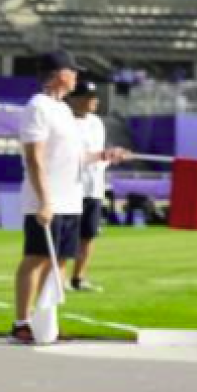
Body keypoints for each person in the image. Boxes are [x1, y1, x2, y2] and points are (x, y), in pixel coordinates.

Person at [11, 52, 125, 344]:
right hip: (48, 199)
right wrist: (45, 200)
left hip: (71, 199)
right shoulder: (38, 107)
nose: (76, 76)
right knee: (35, 259)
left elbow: (75, 157)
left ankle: (45, 322)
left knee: (58, 261)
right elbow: (34, 157)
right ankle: (21, 322)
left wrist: (103, 156)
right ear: (58, 74)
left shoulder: (62, 110)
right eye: (72, 71)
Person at [66, 79, 128, 291]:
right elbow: (71, 156)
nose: (93, 101)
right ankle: (58, 278)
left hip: (93, 187)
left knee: (88, 234)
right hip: (71, 186)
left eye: (94, 98)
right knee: (66, 236)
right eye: (87, 97)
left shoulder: (96, 123)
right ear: (74, 99)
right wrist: (102, 155)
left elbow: (99, 153)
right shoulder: (64, 122)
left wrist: (113, 156)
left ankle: (79, 277)